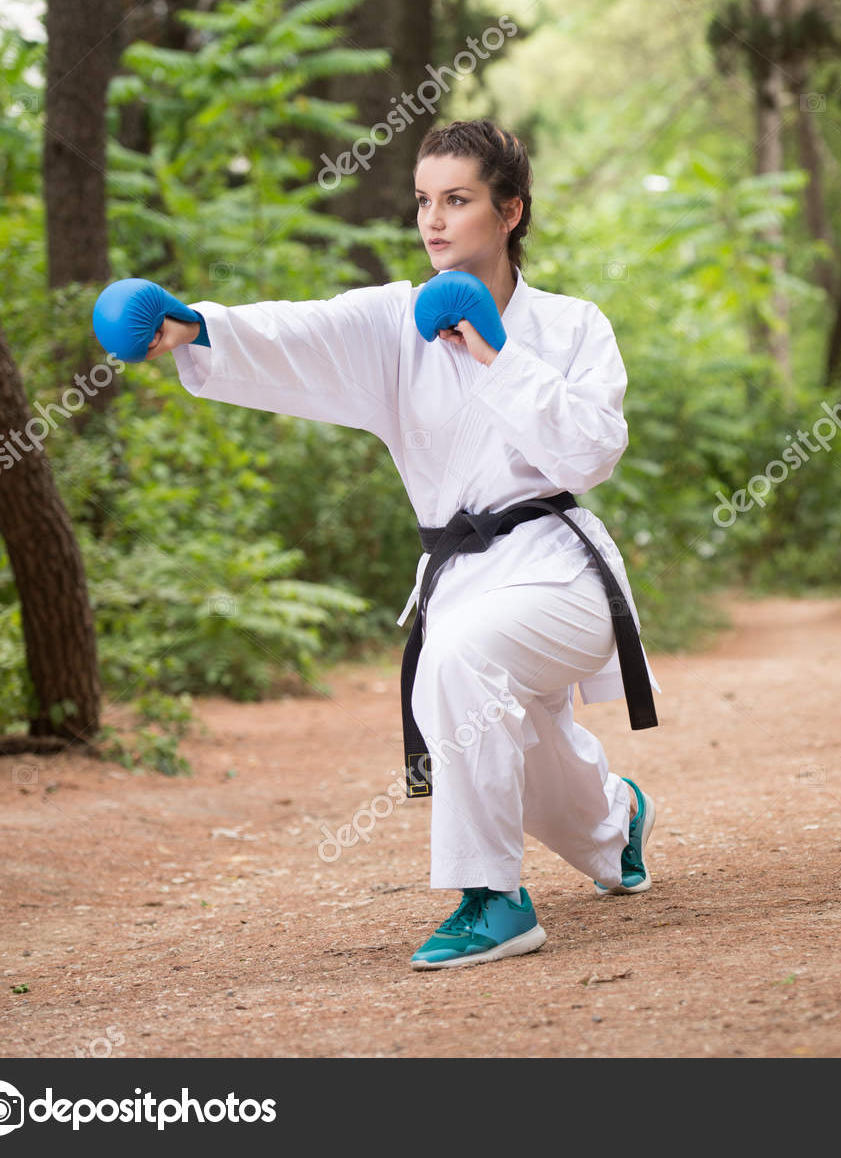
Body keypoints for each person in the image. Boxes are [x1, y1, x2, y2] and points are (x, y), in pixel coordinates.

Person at [94, 119, 661, 971]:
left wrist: (496, 353)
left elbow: (590, 454)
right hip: (464, 582)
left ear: (510, 211)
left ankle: (493, 899)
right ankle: (614, 822)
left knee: (457, 668)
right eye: (424, 200)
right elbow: (298, 334)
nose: (433, 220)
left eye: (458, 200)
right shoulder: (396, 323)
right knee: (512, 726)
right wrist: (194, 326)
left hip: (561, 572)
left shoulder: (573, 326)